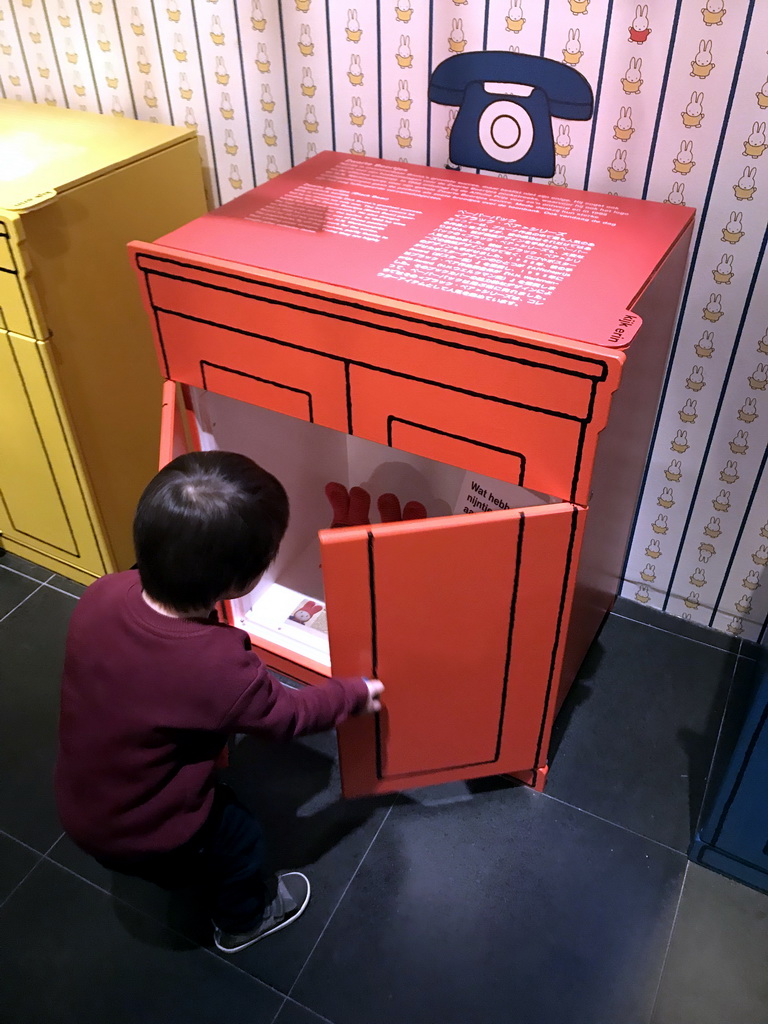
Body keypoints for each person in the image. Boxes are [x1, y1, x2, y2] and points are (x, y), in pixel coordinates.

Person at [55, 451, 383, 954]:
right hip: (150, 828)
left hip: (82, 800)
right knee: (239, 844)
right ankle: (244, 921)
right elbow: (286, 717)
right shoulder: (218, 666)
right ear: (241, 584)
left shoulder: (102, 594)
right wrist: (353, 692)